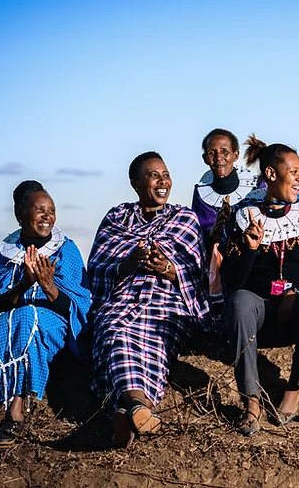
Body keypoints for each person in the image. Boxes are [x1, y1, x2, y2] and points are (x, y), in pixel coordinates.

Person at [88, 151, 212, 448]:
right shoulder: (117, 217)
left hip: (168, 301)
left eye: (165, 175)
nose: (162, 181)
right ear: (135, 183)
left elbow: (197, 271)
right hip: (123, 296)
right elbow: (98, 266)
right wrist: (128, 264)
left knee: (151, 339)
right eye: (153, 175)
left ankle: (127, 406)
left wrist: (167, 268)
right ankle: (137, 408)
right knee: (114, 332)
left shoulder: (184, 217)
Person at [0, 181, 91, 455]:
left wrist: (47, 286)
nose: (47, 216)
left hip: (55, 327)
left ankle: (15, 408)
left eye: (51, 210)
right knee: (5, 321)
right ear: (20, 213)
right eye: (39, 209)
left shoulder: (66, 250)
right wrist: (24, 284)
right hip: (8, 326)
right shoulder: (5, 254)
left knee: (25, 316)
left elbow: (78, 306)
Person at [221, 135, 299, 436]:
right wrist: (250, 249)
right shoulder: (243, 215)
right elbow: (233, 284)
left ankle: (295, 387)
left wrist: (294, 292)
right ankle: (251, 401)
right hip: (260, 317)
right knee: (240, 302)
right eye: (293, 171)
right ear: (271, 174)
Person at [191, 128, 260, 241]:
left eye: (224, 152)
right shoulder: (200, 194)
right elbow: (201, 234)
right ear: (205, 159)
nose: (218, 158)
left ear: (235, 155)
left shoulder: (256, 187)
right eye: (212, 153)